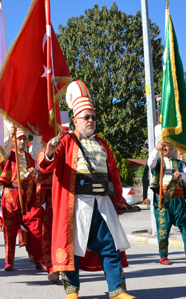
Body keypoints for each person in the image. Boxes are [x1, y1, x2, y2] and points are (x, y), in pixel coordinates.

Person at [38, 81, 134, 299]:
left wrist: (118, 200)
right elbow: (45, 165)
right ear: (75, 120)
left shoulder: (103, 144)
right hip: (76, 205)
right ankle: (72, 292)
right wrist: (50, 151)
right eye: (86, 117)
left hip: (102, 204)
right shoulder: (65, 141)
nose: (91, 120)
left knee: (111, 246)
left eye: (93, 117)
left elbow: (114, 176)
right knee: (72, 249)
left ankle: (117, 291)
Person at [148, 138, 186, 265]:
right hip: (163, 201)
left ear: (172, 148)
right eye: (163, 146)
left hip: (179, 201)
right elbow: (149, 163)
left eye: (167, 146)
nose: (165, 148)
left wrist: (182, 176)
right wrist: (156, 150)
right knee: (163, 230)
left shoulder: (180, 163)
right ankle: (163, 256)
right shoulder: (157, 161)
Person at [0, 126, 45, 273]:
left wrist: (37, 135)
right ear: (15, 140)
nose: (22, 141)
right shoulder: (9, 154)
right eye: (19, 139)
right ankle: (9, 262)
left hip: (28, 196)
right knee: (10, 231)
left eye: (24, 139)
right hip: (11, 196)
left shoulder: (29, 158)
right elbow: (2, 152)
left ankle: (39, 260)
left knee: (36, 228)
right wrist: (9, 136)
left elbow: (38, 154)